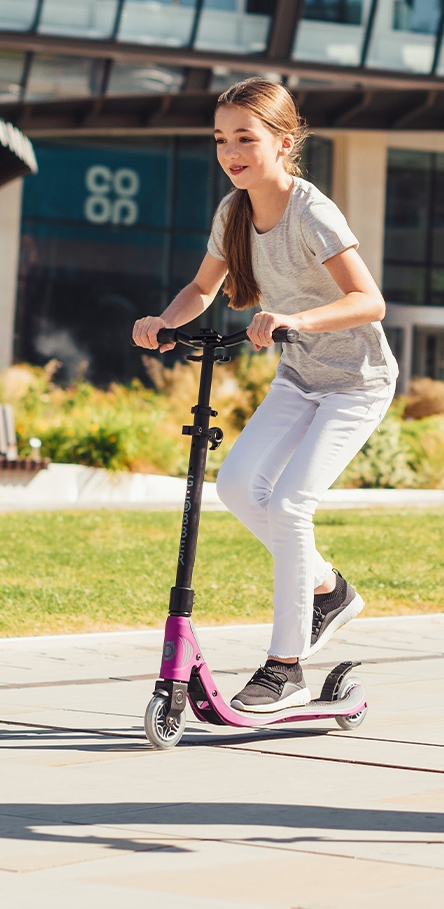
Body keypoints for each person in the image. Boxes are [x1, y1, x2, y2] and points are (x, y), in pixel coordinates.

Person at [133, 79, 398, 713]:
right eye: (221, 139)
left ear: (284, 142)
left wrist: (295, 321)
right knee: (235, 487)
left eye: (245, 138)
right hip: (300, 378)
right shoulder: (233, 212)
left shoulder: (312, 211)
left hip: (356, 384)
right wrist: (165, 322)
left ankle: (287, 669)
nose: (231, 151)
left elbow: (371, 301)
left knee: (289, 506)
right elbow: (202, 288)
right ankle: (328, 589)